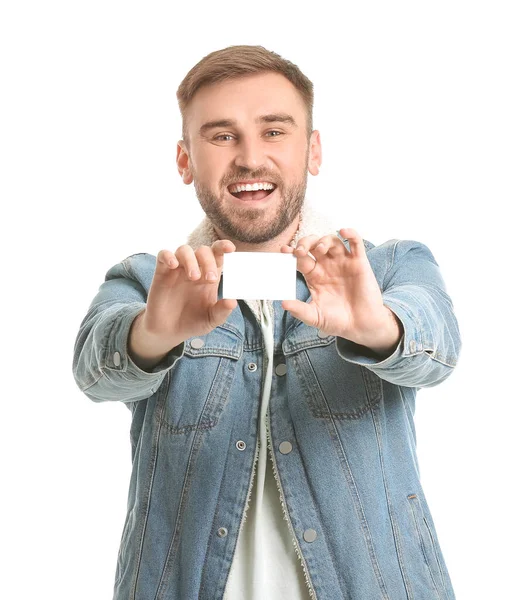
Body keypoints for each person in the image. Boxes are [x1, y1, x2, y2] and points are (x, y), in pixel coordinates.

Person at [73, 45, 462, 600]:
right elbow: (94, 370)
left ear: (314, 150)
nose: (250, 158)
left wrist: (379, 328)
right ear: (185, 160)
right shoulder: (148, 280)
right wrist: (152, 337)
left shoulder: (388, 268)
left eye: (274, 131)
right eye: (222, 136)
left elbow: (440, 349)